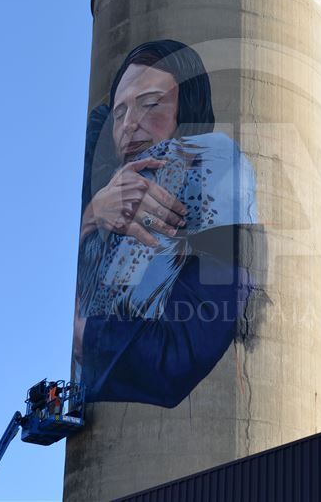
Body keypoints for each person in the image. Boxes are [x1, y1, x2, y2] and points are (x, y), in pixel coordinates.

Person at [73, 40, 261, 408]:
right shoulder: (105, 203)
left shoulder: (218, 190)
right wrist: (93, 214)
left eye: (150, 104)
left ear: (186, 112)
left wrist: (86, 335)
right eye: (120, 112)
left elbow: (174, 363)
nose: (129, 125)